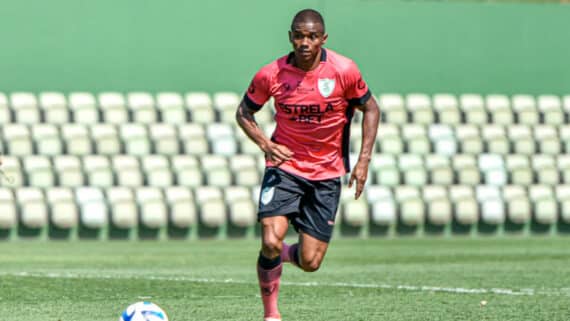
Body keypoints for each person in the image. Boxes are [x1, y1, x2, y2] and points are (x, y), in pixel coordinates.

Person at [235, 8, 380, 321]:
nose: (305, 42)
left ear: (322, 39)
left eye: (312, 36)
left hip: (327, 174)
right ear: (290, 37)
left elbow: (371, 109)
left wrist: (363, 159)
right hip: (285, 168)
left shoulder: (344, 70)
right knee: (270, 238)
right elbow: (243, 113)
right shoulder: (270, 75)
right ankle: (271, 315)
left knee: (311, 261)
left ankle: (279, 255)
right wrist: (266, 144)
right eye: (299, 35)